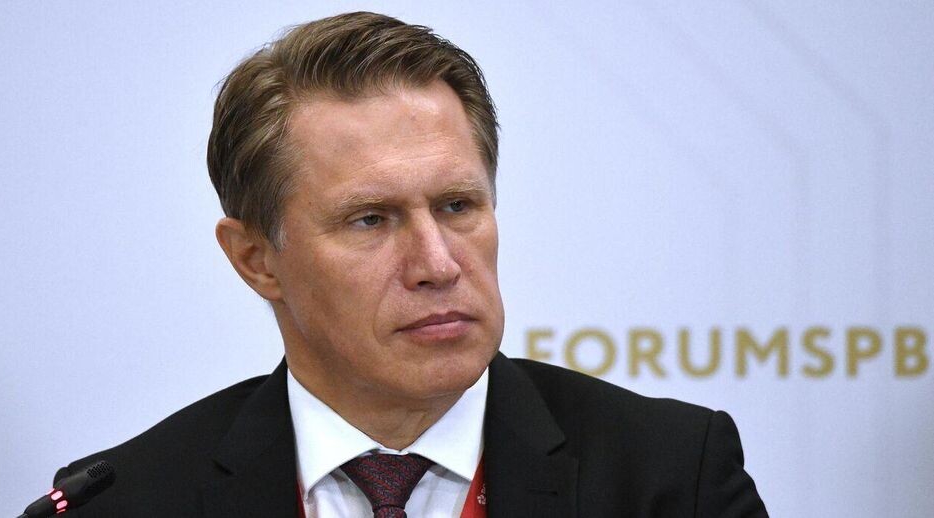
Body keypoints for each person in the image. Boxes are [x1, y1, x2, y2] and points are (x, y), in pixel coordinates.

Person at [52, 11, 767, 517]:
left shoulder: (671, 478)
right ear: (256, 260)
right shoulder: (129, 501)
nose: (437, 263)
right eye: (371, 219)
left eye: (457, 206)